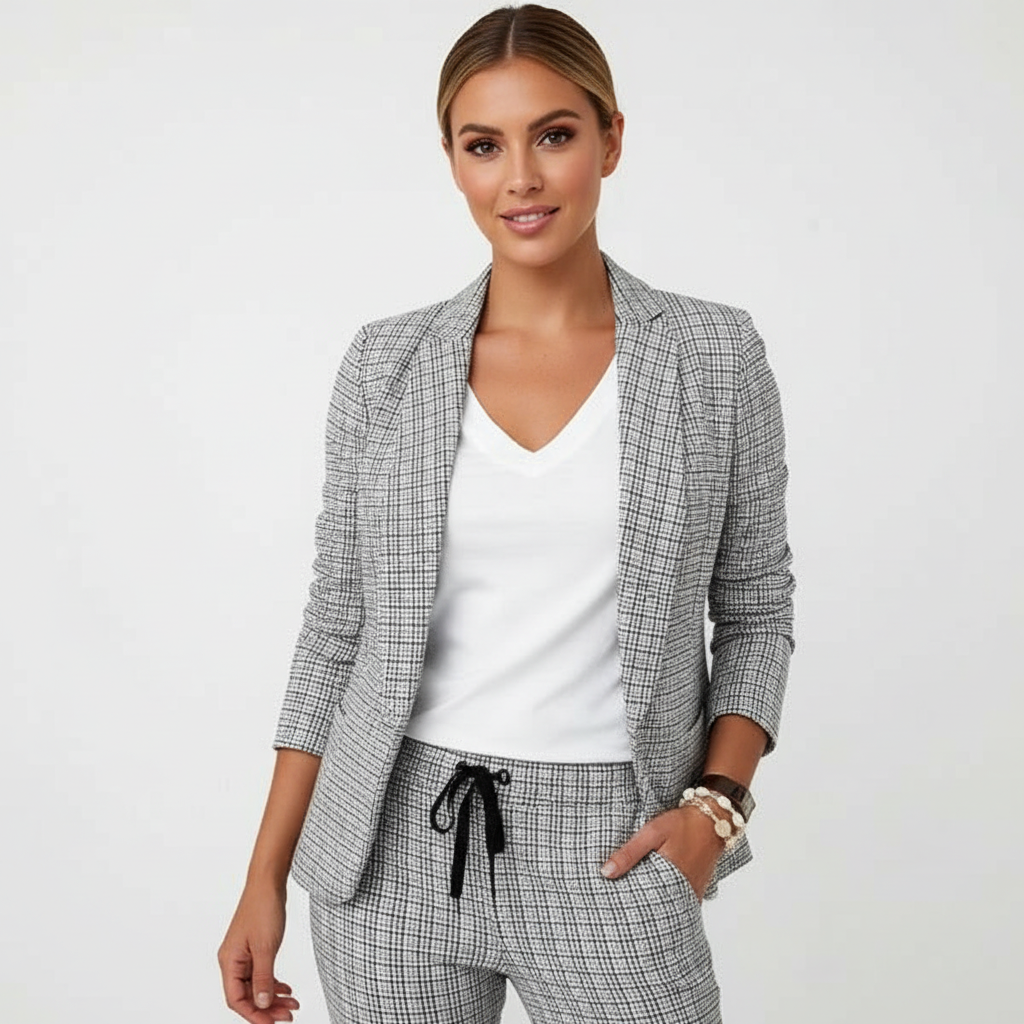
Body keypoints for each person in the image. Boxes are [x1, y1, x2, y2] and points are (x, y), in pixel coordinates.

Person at [217, 4, 796, 1022]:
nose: (520, 178)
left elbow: (754, 607)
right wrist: (262, 875)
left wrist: (715, 807)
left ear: (611, 139)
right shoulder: (386, 364)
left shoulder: (712, 356)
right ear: (452, 160)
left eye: (554, 135)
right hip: (390, 846)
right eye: (484, 145)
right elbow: (337, 628)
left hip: (615, 843)